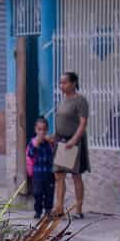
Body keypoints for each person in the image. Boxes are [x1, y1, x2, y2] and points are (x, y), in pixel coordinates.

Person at [54, 70, 90, 219]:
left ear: (74, 83)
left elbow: (83, 123)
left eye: (65, 82)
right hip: (61, 141)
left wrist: (74, 140)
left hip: (73, 142)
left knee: (76, 176)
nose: (62, 85)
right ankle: (60, 207)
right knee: (59, 175)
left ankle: (79, 209)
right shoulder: (62, 100)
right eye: (61, 82)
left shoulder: (80, 101)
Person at [27, 116, 55, 219]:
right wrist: (36, 145)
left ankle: (48, 211)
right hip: (37, 174)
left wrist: (52, 142)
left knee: (49, 193)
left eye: (44, 129)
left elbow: (53, 155)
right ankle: (38, 211)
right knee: (37, 193)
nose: (42, 132)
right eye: (39, 129)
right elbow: (30, 154)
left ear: (47, 130)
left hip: (48, 173)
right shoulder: (33, 142)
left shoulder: (48, 143)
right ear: (35, 130)